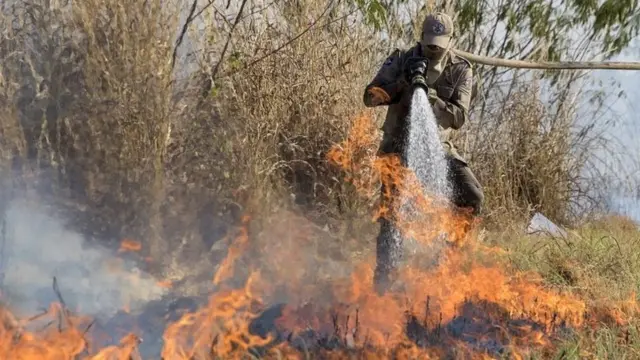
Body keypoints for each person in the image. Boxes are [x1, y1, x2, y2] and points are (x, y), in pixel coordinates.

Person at [362, 12, 484, 291]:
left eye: (439, 45)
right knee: (392, 217)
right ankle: (383, 286)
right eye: (429, 44)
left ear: (450, 41)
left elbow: (458, 117)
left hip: (437, 148)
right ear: (421, 39)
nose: (433, 50)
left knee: (472, 196)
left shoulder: (460, 69)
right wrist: (403, 83)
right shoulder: (402, 58)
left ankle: (444, 263)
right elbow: (370, 97)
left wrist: (428, 95)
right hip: (396, 147)